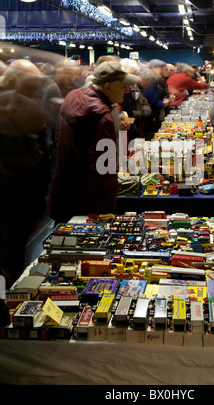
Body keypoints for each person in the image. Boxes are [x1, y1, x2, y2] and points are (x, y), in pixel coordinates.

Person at [47, 60, 140, 224]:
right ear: (108, 87)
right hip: (89, 201)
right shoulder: (102, 118)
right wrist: (110, 204)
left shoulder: (74, 96)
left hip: (65, 191)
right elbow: (104, 169)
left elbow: (57, 137)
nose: (127, 90)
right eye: (123, 86)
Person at [0, 59, 49, 286]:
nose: (34, 95)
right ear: (11, 82)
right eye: (29, 88)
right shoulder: (11, 114)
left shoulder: (24, 111)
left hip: (21, 211)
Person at [143, 59, 173, 139]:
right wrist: (163, 103)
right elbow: (151, 102)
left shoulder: (155, 80)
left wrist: (168, 95)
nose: (163, 72)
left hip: (154, 117)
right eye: (162, 69)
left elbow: (159, 94)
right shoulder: (149, 81)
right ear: (153, 68)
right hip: (149, 119)